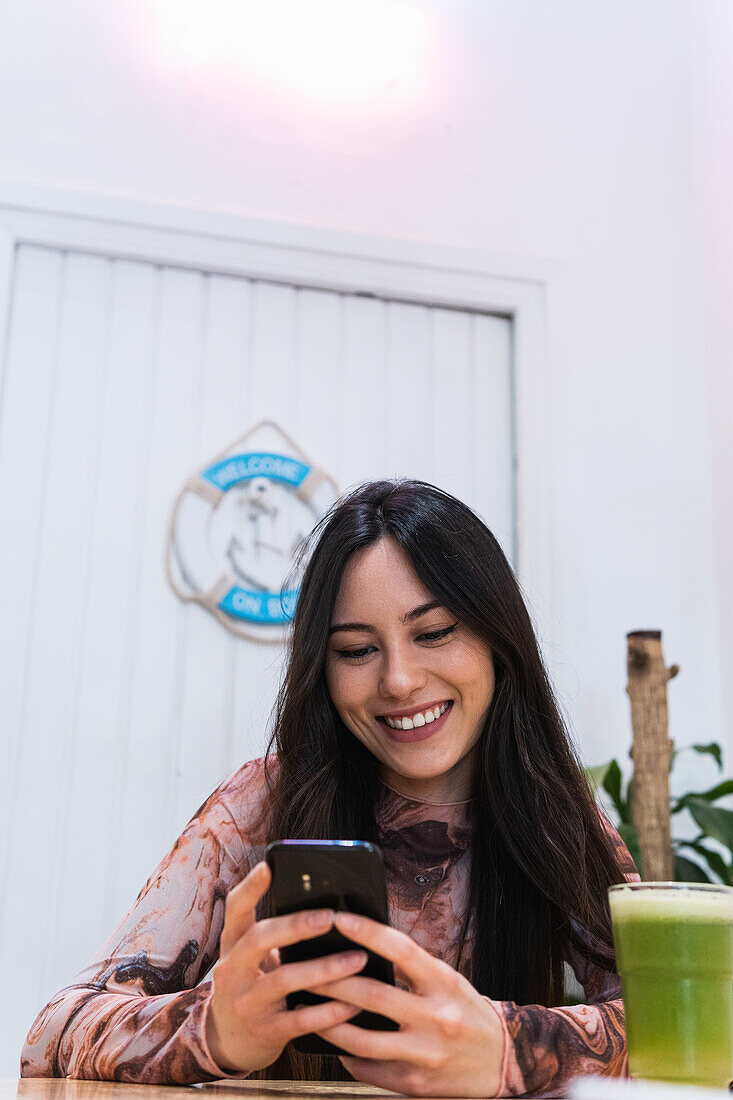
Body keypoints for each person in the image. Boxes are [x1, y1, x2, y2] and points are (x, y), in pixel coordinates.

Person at [21, 479, 638, 1096]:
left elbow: (676, 1028)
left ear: (499, 641)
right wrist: (212, 1030)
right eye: (356, 650)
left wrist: (510, 1048)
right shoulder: (262, 804)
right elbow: (53, 1032)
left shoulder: (555, 816)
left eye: (434, 633)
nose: (398, 680)